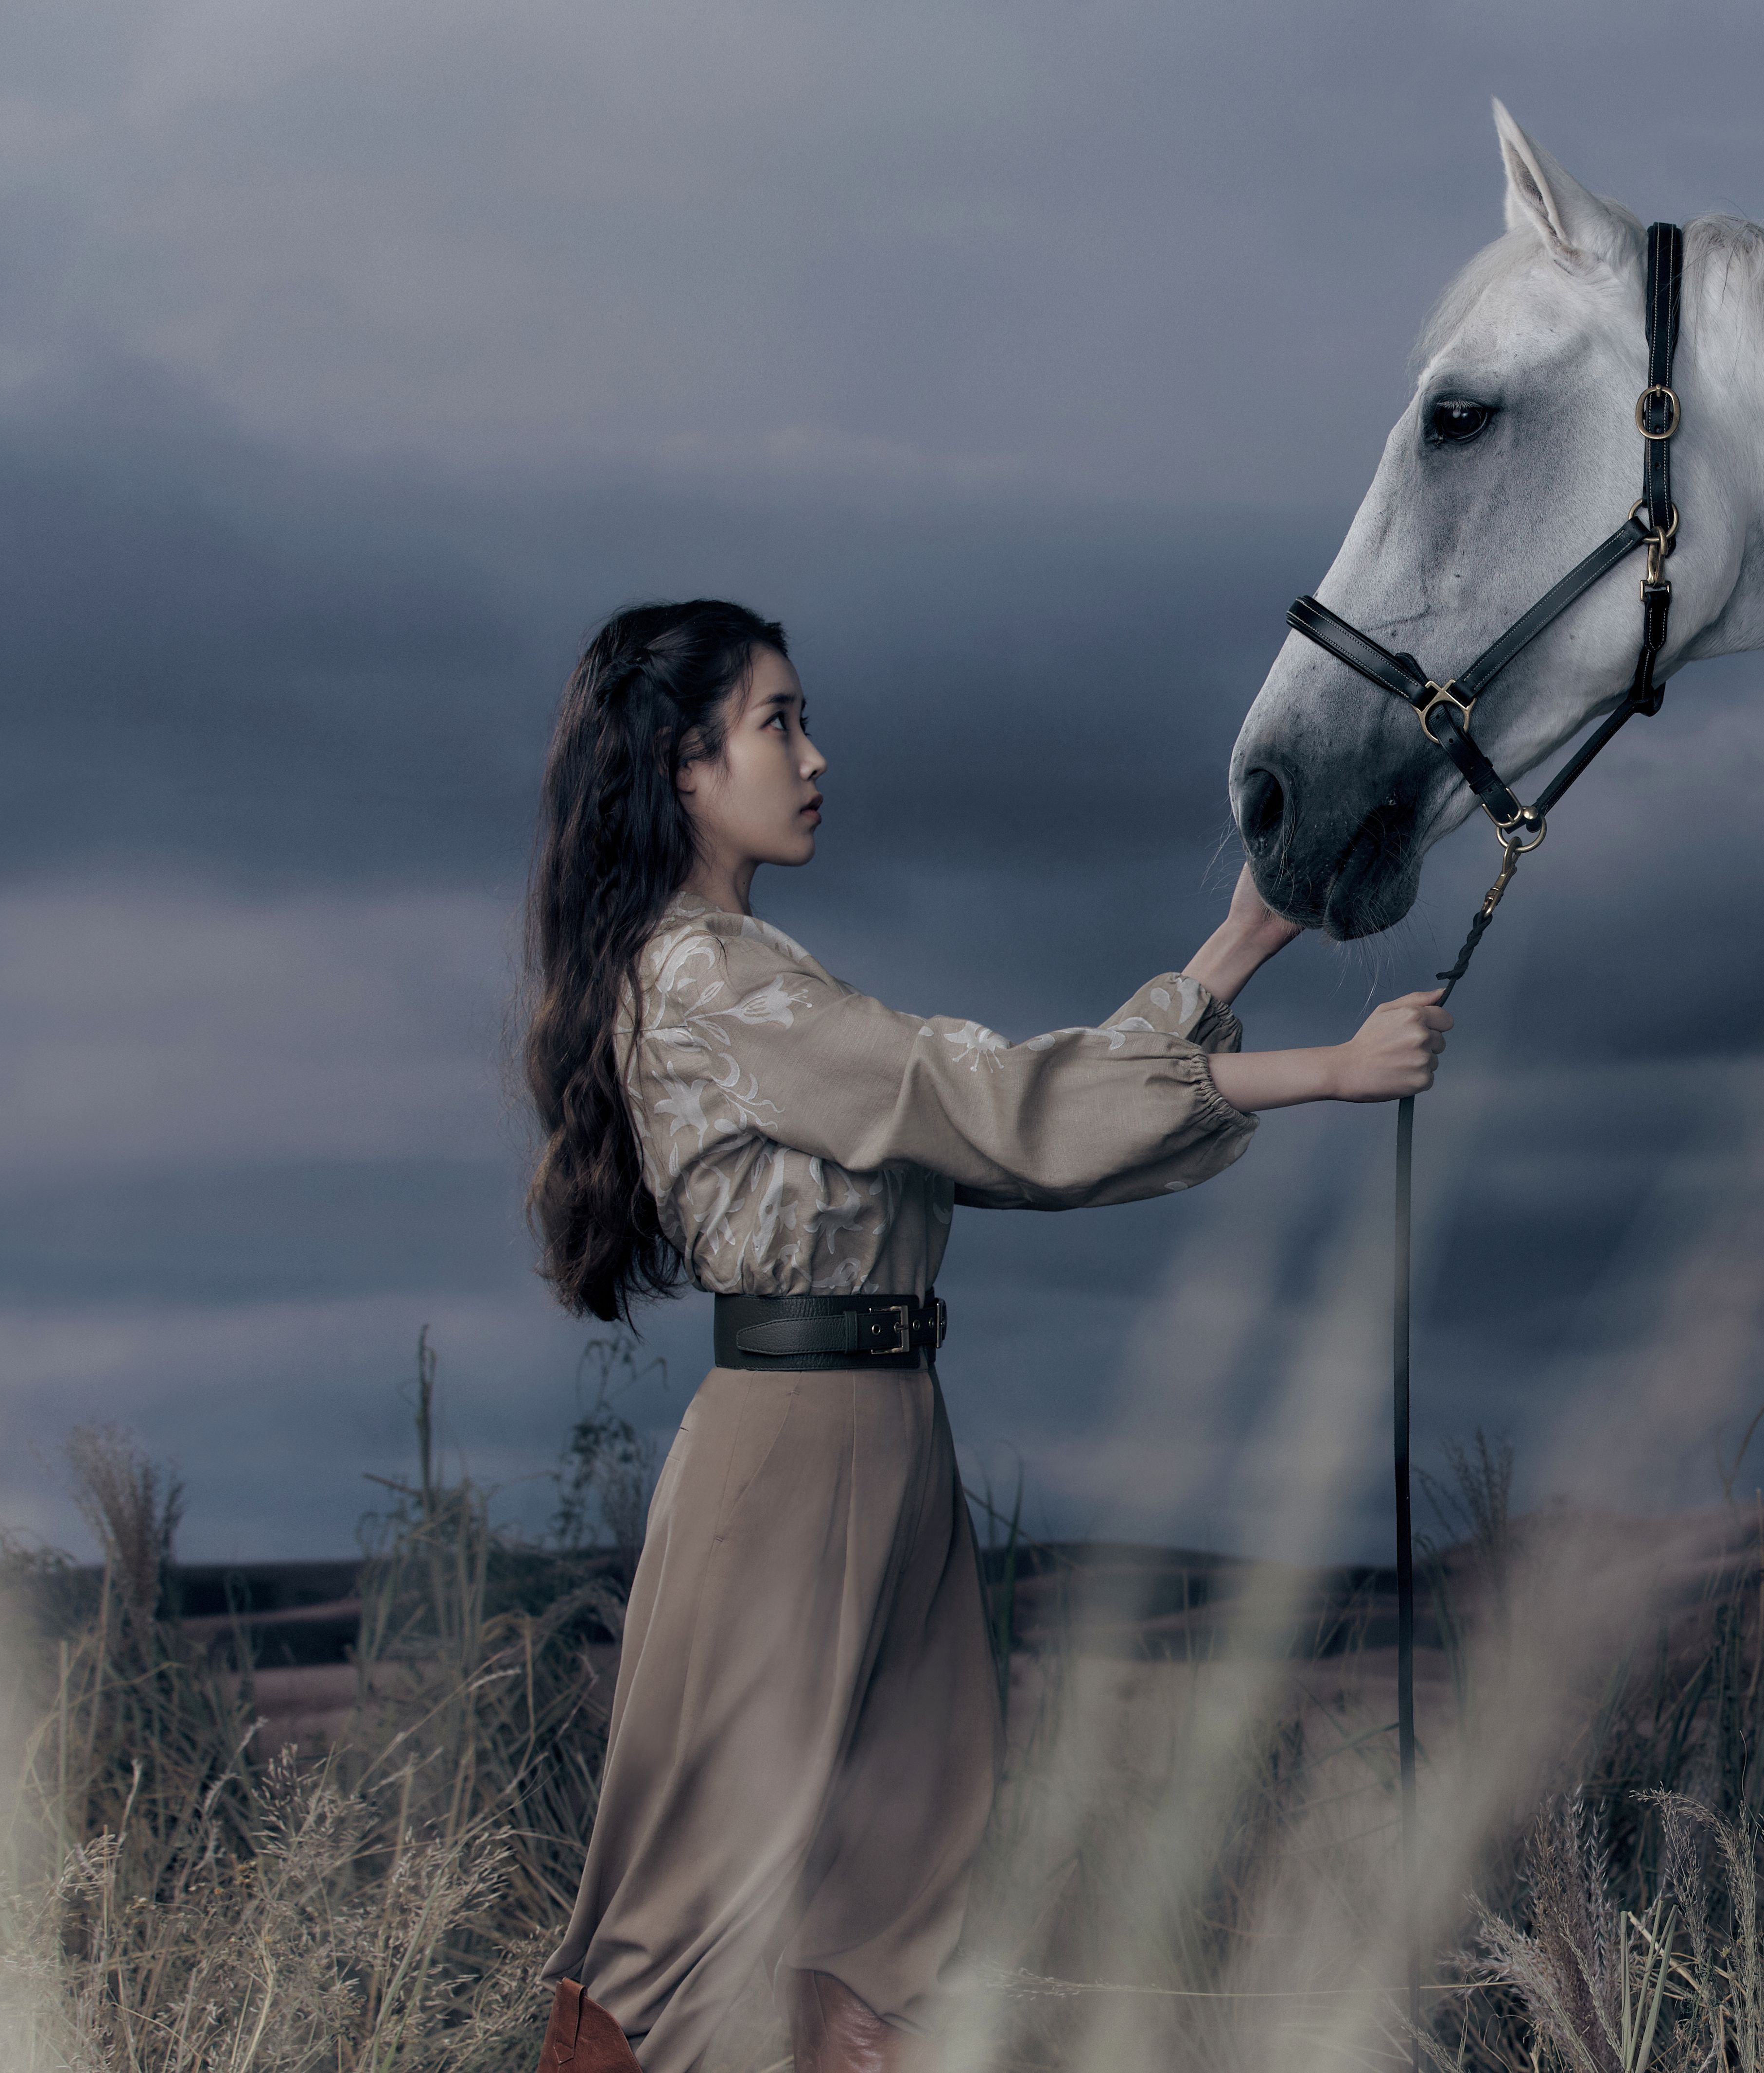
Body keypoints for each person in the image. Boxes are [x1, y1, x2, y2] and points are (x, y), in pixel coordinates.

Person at [517, 599, 1444, 2073]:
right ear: (683, 767)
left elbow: (990, 1137)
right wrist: (1323, 1073)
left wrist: (1243, 938)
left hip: (885, 1435)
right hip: (792, 1457)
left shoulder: (756, 966)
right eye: (778, 724)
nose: (816, 757)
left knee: (890, 1927)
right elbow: (989, 1106)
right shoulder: (709, 981)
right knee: (701, 1931)